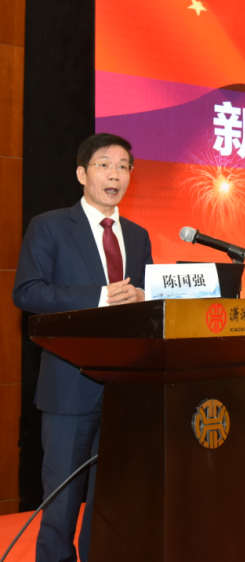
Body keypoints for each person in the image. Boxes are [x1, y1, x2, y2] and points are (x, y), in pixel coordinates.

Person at [13, 133, 153, 562]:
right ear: (81, 174)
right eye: (104, 164)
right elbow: (28, 292)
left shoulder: (138, 235)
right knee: (61, 503)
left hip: (125, 388)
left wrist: (145, 298)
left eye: (123, 166)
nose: (115, 174)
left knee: (110, 498)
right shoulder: (50, 226)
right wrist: (100, 296)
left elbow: (148, 302)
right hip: (69, 387)